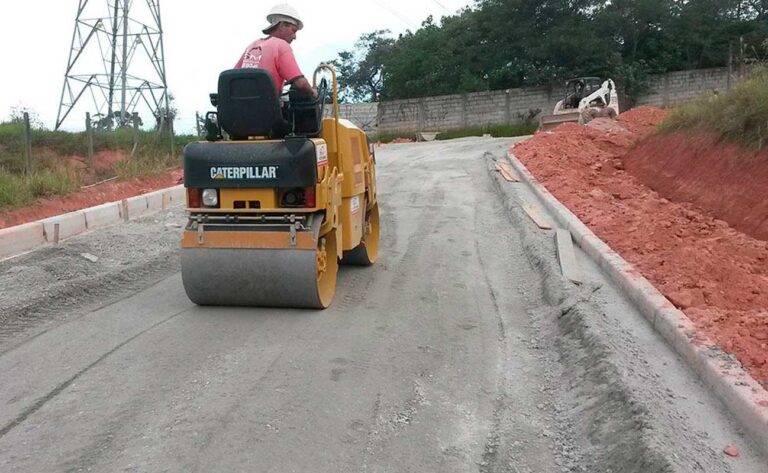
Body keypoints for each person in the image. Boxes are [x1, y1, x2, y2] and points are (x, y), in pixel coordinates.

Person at [235, 3, 317, 98]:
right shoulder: (281, 45)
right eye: (293, 30)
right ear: (282, 25)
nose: (295, 37)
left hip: (240, 108)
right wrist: (313, 92)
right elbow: (300, 84)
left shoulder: (252, 46)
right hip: (266, 109)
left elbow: (233, 76)